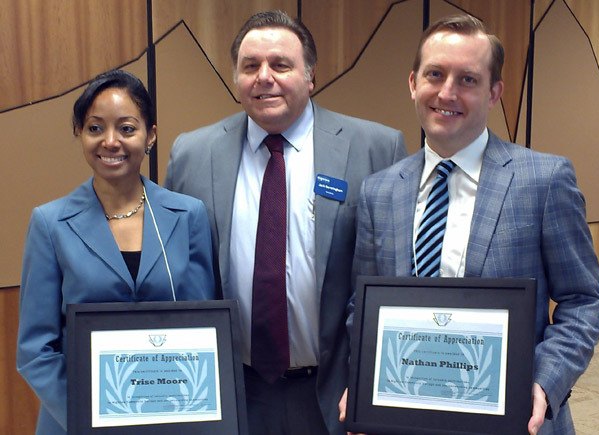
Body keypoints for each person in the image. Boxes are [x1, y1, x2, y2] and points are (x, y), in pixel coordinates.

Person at [346, 13, 599, 435]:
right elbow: (362, 304)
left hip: (513, 419)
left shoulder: (543, 180)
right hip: (405, 414)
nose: (447, 92)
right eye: (435, 74)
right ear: (414, 82)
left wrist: (545, 381)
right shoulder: (379, 191)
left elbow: (585, 301)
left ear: (494, 93)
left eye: (468, 79)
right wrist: (361, 376)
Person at [164, 10, 407, 435]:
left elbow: (395, 275)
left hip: (336, 391)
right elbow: (177, 276)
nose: (264, 77)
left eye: (280, 64)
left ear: (310, 76)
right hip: (236, 391)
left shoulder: (375, 148)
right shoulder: (192, 154)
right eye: (250, 66)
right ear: (236, 77)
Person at [16, 69, 216, 435]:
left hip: (171, 417)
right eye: (95, 128)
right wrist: (93, 418)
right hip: (75, 423)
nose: (110, 142)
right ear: (79, 133)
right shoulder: (50, 223)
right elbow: (35, 350)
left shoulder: (188, 215)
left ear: (151, 134)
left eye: (126, 128)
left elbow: (205, 329)